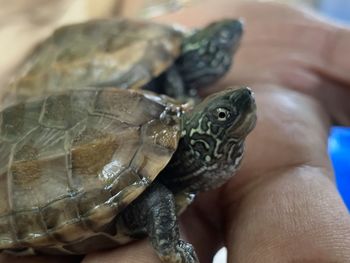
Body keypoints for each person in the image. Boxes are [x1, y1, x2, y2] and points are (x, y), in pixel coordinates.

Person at [1, 1, 350, 262]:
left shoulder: (157, 113)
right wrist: (171, 246)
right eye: (225, 116)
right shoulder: (159, 173)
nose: (245, 99)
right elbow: (155, 197)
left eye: (221, 115)